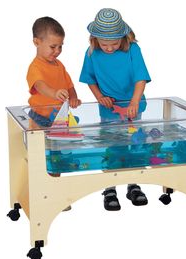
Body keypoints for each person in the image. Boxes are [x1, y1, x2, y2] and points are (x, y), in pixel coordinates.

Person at [79, 8, 151, 211]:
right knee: (113, 145)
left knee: (135, 144)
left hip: (133, 107)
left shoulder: (133, 50)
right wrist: (100, 97)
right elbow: (90, 79)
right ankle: (109, 188)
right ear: (95, 39)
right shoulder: (92, 52)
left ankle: (134, 184)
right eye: (104, 44)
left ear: (122, 38)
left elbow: (141, 78)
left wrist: (134, 103)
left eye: (114, 43)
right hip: (109, 109)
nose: (109, 48)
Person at [27, 16, 81, 211]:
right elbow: (40, 86)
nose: (57, 51)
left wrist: (73, 97)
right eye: (53, 47)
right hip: (40, 119)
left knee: (57, 156)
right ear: (37, 42)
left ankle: (55, 196)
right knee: (41, 158)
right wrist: (55, 93)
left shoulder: (59, 65)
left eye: (60, 47)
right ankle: (40, 196)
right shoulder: (35, 67)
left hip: (59, 119)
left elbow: (69, 85)